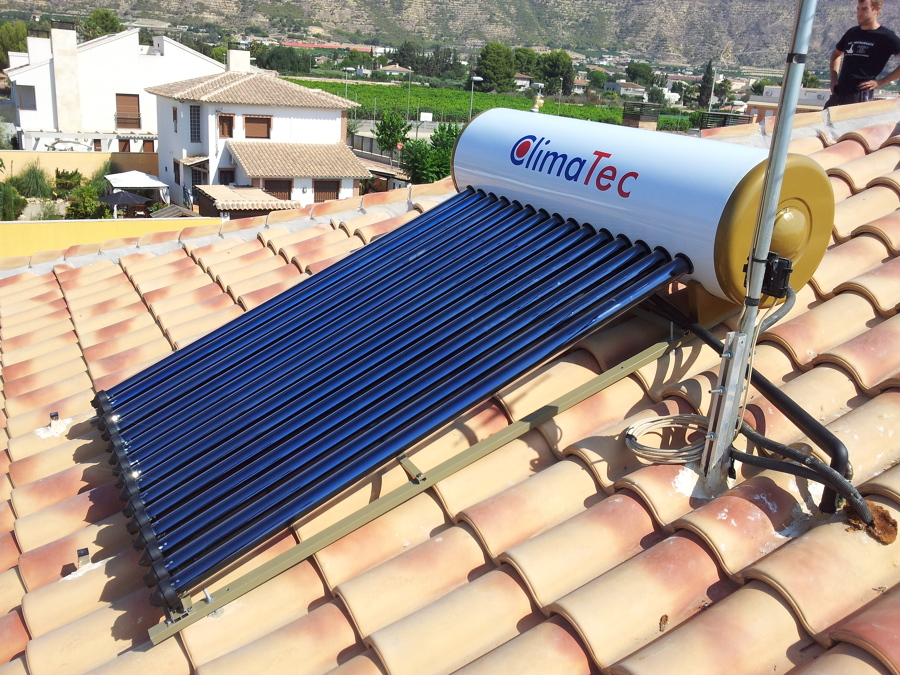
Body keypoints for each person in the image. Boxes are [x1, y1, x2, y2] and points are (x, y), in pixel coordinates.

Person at [825, 0, 900, 107]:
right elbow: (836, 55)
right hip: (838, 93)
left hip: (860, 94)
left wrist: (882, 81)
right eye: (858, 9)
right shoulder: (852, 33)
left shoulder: (886, 36)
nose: (859, 13)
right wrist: (833, 79)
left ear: (877, 9)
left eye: (864, 9)